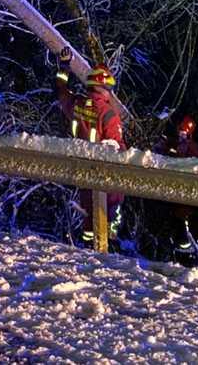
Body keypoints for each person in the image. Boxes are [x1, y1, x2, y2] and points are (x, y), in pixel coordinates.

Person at [54, 46, 125, 245]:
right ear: (106, 89)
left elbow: (61, 92)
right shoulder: (108, 114)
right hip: (103, 172)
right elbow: (116, 147)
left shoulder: (77, 104)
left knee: (88, 211)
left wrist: (64, 68)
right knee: (110, 207)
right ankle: (105, 247)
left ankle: (87, 247)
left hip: (80, 168)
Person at [153, 115, 198, 252]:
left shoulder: (192, 147)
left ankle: (184, 242)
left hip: (185, 188)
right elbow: (166, 149)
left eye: (184, 132)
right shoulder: (175, 144)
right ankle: (178, 242)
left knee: (182, 216)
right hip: (174, 187)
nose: (182, 134)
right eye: (180, 131)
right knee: (175, 216)